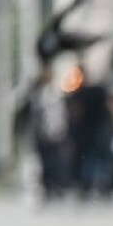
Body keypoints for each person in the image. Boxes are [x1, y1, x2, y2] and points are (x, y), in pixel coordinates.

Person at [24, 66, 70, 200]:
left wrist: (62, 131)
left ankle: (56, 186)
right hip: (43, 134)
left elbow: (61, 115)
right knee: (45, 162)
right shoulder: (37, 95)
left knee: (56, 162)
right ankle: (47, 186)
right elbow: (35, 116)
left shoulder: (56, 94)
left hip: (56, 133)